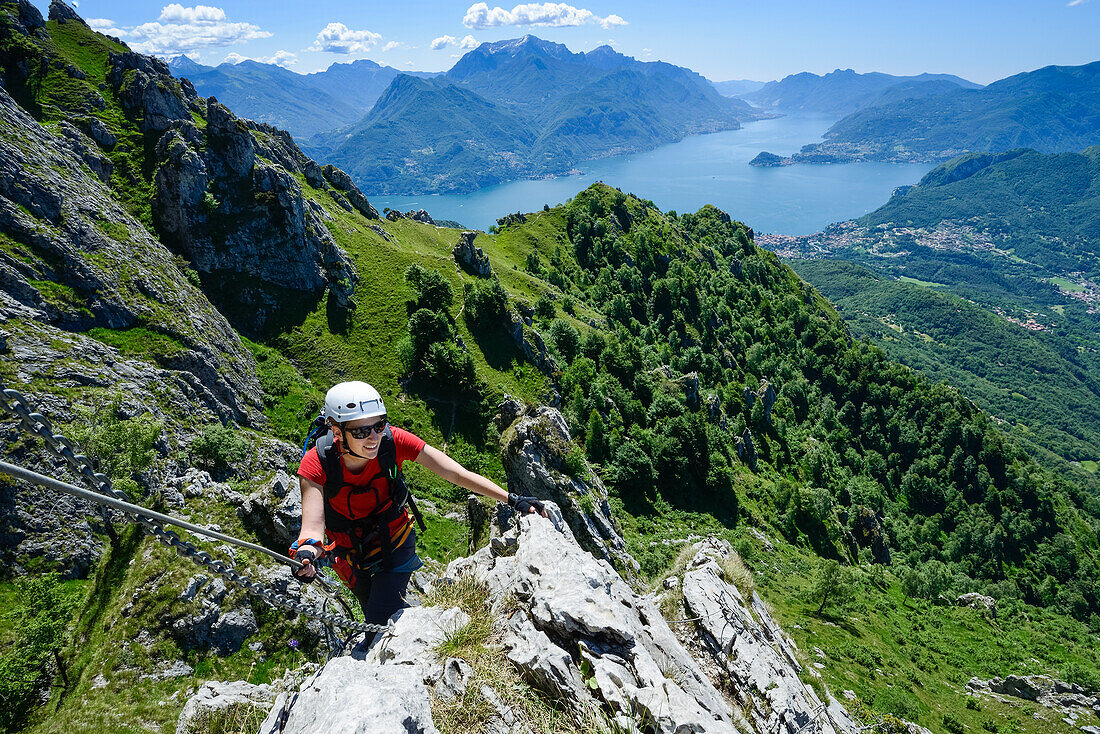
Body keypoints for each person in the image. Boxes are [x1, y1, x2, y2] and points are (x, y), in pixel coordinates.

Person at [291, 381, 547, 633]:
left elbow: (456, 474)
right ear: (337, 432)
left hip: (395, 541)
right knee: (372, 609)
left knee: (378, 622)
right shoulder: (316, 463)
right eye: (361, 432)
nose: (373, 438)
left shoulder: (393, 441)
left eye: (379, 425)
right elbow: (312, 528)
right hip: (351, 556)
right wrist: (307, 553)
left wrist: (512, 499)